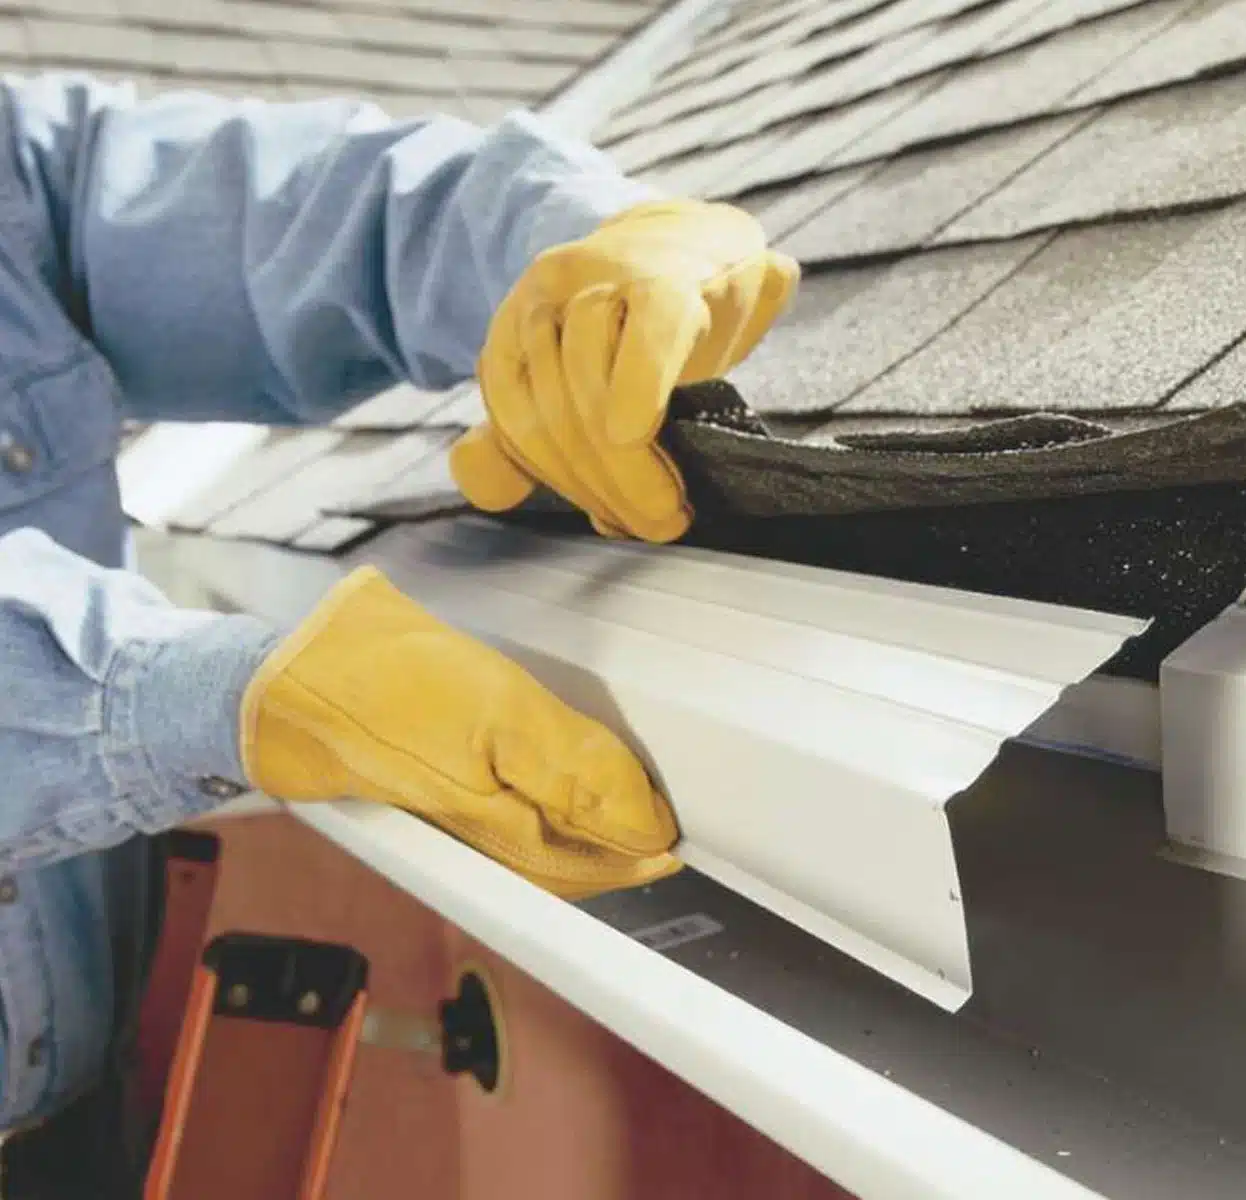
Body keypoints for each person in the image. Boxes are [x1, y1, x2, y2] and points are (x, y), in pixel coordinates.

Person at [0, 72, 797, 1193]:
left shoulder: (19, 174)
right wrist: (181, 693)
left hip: (77, 1129)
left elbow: (334, 217)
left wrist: (581, 252)